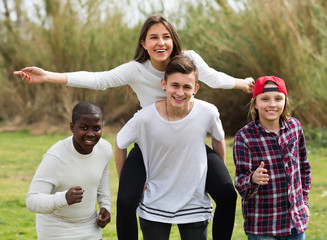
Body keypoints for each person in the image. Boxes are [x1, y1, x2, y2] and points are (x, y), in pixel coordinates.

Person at [14, 14, 253, 240]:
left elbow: (212, 77)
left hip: (187, 142)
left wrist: (243, 84)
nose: (161, 42)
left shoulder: (189, 59)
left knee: (226, 193)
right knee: (127, 200)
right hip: (149, 143)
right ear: (144, 43)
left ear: (174, 40)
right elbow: (99, 79)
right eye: (153, 37)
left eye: (166, 36)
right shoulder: (136, 69)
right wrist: (48, 76)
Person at [116, 55, 227, 240]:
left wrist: (212, 178)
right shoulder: (144, 118)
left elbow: (218, 139)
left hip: (194, 202)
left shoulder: (208, 112)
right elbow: (120, 144)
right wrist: (126, 182)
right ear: (164, 85)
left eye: (187, 87)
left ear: (196, 89)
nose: (180, 92)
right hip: (155, 203)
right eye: (175, 85)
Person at [233, 76, 311, 240]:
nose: (272, 104)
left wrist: (304, 202)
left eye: (278, 98)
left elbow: (304, 168)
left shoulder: (295, 128)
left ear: (285, 101)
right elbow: (240, 183)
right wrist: (252, 179)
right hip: (263, 226)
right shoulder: (245, 137)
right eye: (265, 99)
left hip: (294, 224)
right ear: (255, 103)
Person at [26, 101, 112, 240]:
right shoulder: (55, 157)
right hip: (56, 230)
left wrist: (105, 206)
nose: (90, 134)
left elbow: (102, 178)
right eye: (84, 127)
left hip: (90, 227)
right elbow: (32, 201)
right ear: (72, 127)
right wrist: (64, 198)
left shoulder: (105, 149)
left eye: (96, 128)